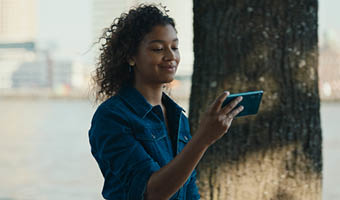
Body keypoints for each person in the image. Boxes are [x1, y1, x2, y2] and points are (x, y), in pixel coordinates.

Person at [88, 4, 243, 200]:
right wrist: (203, 139)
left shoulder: (177, 116)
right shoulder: (111, 117)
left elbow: (189, 192)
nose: (171, 57)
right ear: (131, 56)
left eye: (175, 47)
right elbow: (152, 193)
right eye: (158, 48)